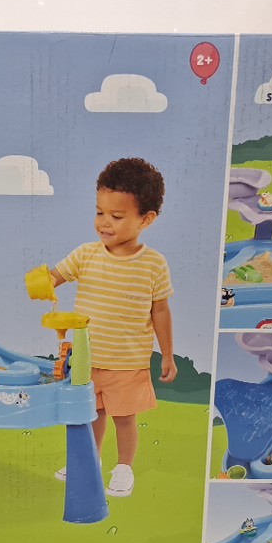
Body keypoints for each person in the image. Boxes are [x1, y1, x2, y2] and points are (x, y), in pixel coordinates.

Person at [50, 158, 177, 497]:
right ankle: (87, 460)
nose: (104, 222)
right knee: (89, 414)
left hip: (127, 361)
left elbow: (161, 311)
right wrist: (41, 282)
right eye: (99, 212)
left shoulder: (153, 264)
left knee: (124, 418)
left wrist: (167, 354)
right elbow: (54, 277)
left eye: (117, 216)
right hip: (86, 359)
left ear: (146, 219)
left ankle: (123, 468)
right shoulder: (85, 255)